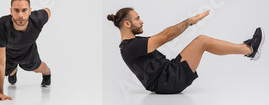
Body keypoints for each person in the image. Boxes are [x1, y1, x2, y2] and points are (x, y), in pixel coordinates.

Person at [107, 7, 264, 94]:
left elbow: (163, 37)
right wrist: (190, 21)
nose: (141, 21)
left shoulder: (133, 44)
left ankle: (248, 50)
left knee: (203, 41)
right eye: (137, 19)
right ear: (127, 24)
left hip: (168, 74)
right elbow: (165, 36)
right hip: (167, 81)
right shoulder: (129, 47)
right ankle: (249, 50)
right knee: (202, 41)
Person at [0, 0, 51, 101]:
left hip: (28, 52)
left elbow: (47, 11)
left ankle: (48, 73)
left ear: (29, 11)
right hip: (8, 54)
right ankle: (13, 71)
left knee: (39, 69)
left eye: (24, 10)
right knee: (8, 71)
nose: (20, 15)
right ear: (11, 11)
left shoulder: (37, 19)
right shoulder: (2, 26)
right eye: (16, 10)